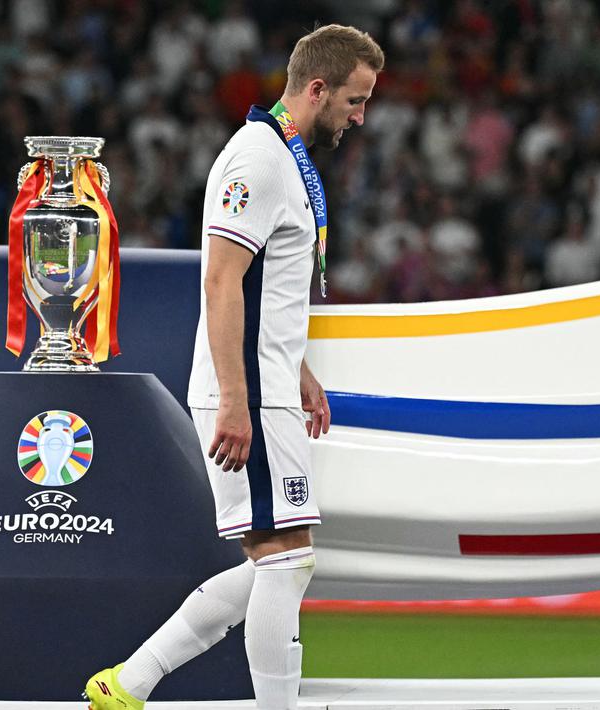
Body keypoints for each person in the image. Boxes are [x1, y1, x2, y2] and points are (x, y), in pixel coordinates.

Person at [84, 24, 383, 710]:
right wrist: (235, 400)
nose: (360, 116)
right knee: (287, 560)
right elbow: (221, 282)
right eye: (354, 100)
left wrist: (298, 369)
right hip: (245, 391)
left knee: (270, 567)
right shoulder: (256, 161)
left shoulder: (283, 155)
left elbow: (266, 289)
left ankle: (128, 682)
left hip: (268, 384)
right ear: (316, 88)